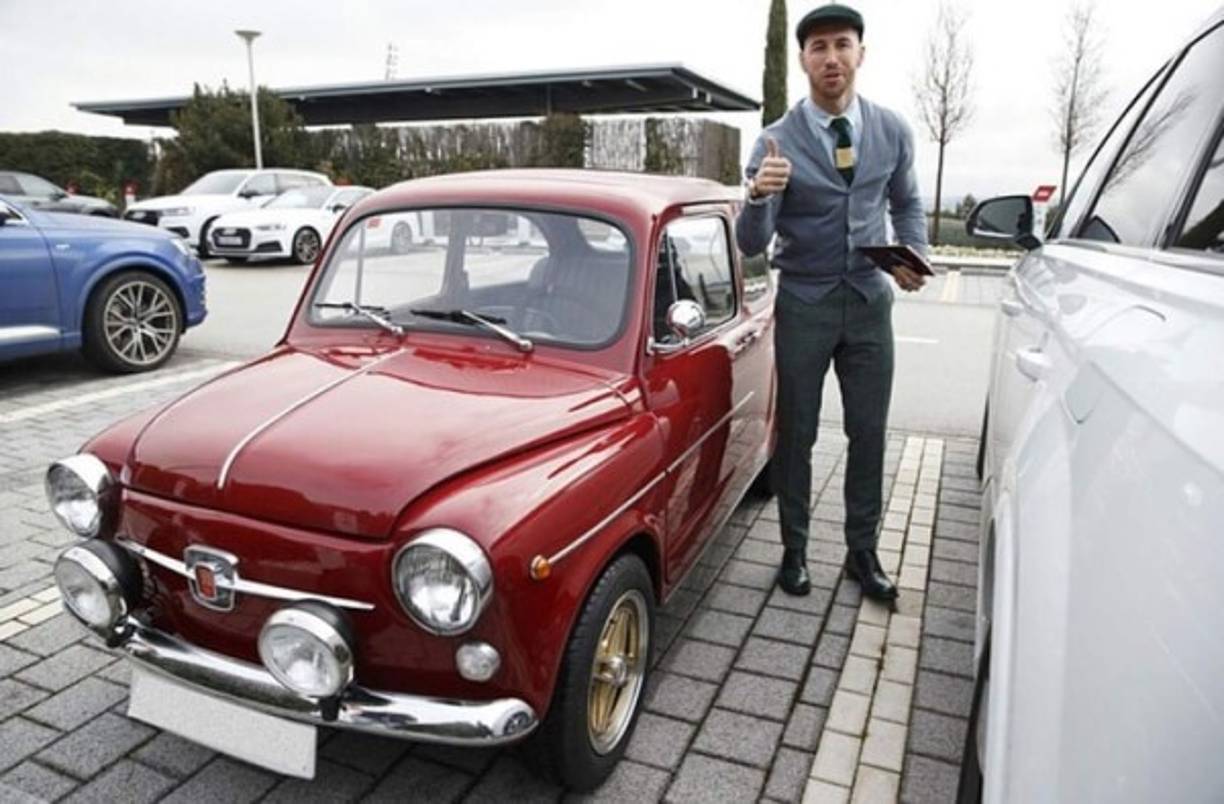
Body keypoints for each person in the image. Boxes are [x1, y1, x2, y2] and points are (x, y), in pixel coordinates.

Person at [736, 3, 928, 601]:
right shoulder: (774, 139)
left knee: (868, 433)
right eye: (818, 47)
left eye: (842, 44)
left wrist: (913, 255)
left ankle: (862, 554)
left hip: (870, 302)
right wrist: (759, 196)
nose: (831, 58)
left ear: (860, 54)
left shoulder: (892, 129)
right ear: (803, 61)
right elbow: (749, 243)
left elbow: (908, 204)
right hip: (805, 305)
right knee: (797, 435)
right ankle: (794, 553)